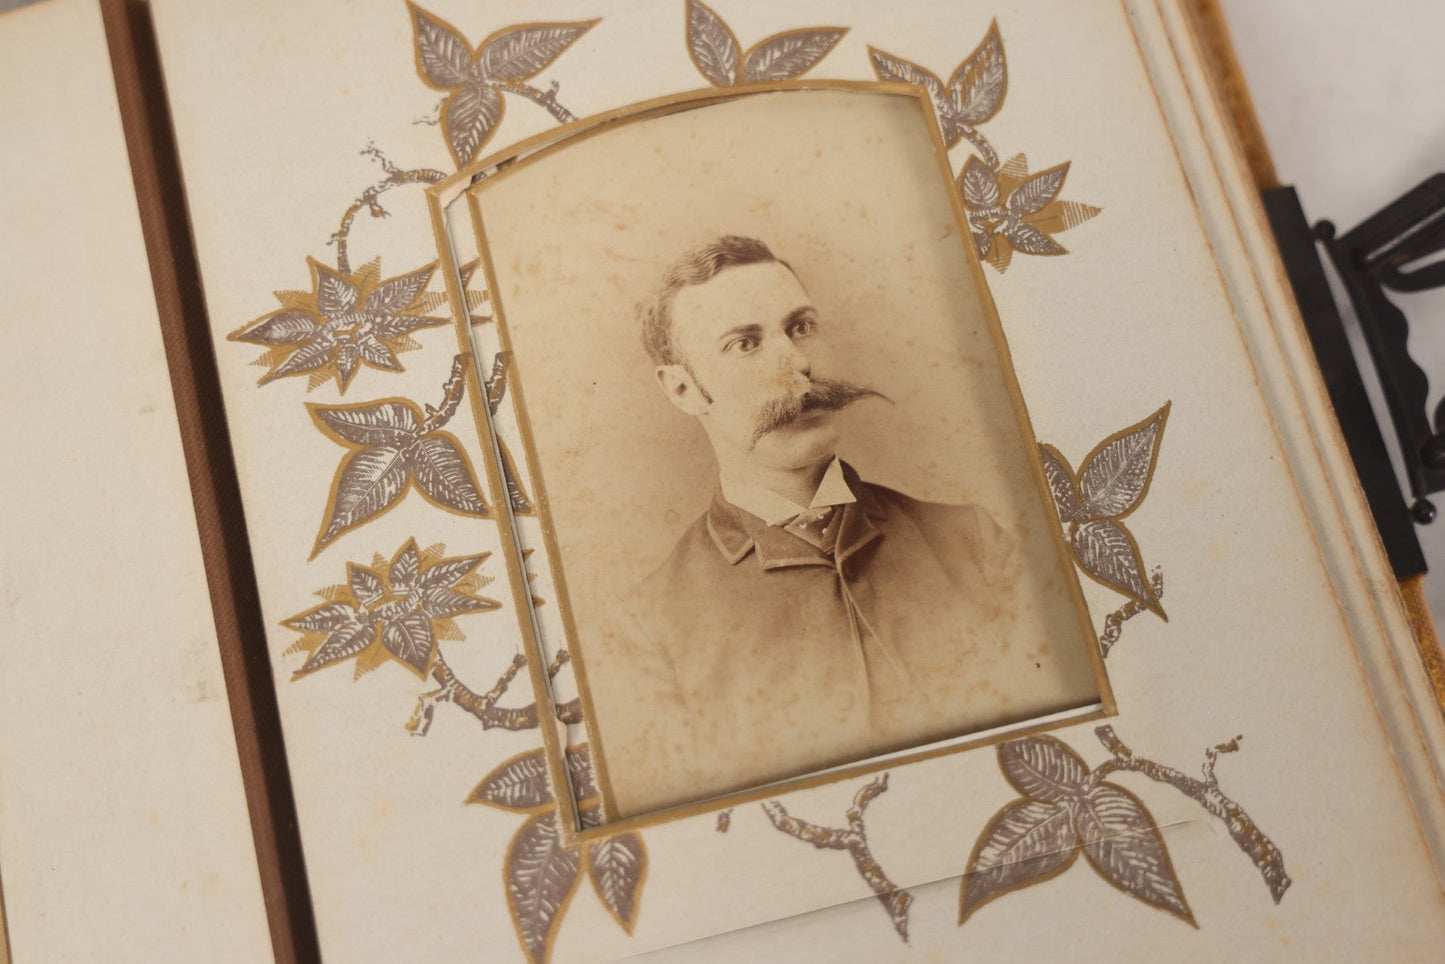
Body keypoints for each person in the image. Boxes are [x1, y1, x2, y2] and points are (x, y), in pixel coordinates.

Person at [590, 236, 1042, 817]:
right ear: (681, 388)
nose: (798, 364)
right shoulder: (649, 631)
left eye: (800, 328)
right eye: (745, 344)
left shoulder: (972, 543)